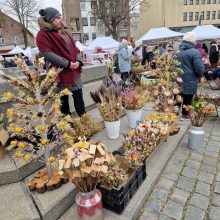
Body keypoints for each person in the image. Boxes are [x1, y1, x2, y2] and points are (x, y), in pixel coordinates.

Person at [36, 7, 85, 117]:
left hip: (74, 71)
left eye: (60, 17)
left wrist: (78, 61)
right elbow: (46, 53)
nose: (61, 20)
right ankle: (67, 128)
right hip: (59, 73)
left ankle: (84, 121)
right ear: (50, 20)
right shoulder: (42, 34)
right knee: (63, 103)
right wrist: (67, 64)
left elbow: (75, 48)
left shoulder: (65, 32)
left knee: (79, 99)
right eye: (58, 18)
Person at [176, 32, 205, 121]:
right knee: (187, 97)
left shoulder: (178, 52)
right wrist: (201, 75)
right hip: (190, 80)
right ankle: (185, 116)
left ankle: (173, 114)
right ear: (193, 41)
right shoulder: (194, 52)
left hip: (178, 79)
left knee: (178, 96)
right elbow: (199, 69)